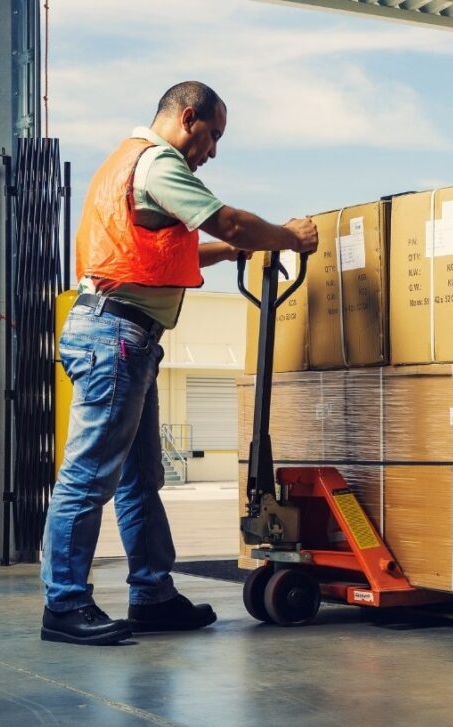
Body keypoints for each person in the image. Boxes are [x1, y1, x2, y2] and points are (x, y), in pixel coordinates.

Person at [40, 81, 318, 645]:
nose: (212, 151)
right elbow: (229, 223)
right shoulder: (157, 165)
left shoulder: (129, 165)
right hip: (114, 336)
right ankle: (64, 606)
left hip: (124, 337)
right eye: (212, 135)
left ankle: (153, 596)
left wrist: (239, 251)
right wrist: (287, 237)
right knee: (89, 478)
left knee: (141, 479)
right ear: (187, 117)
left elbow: (179, 248)